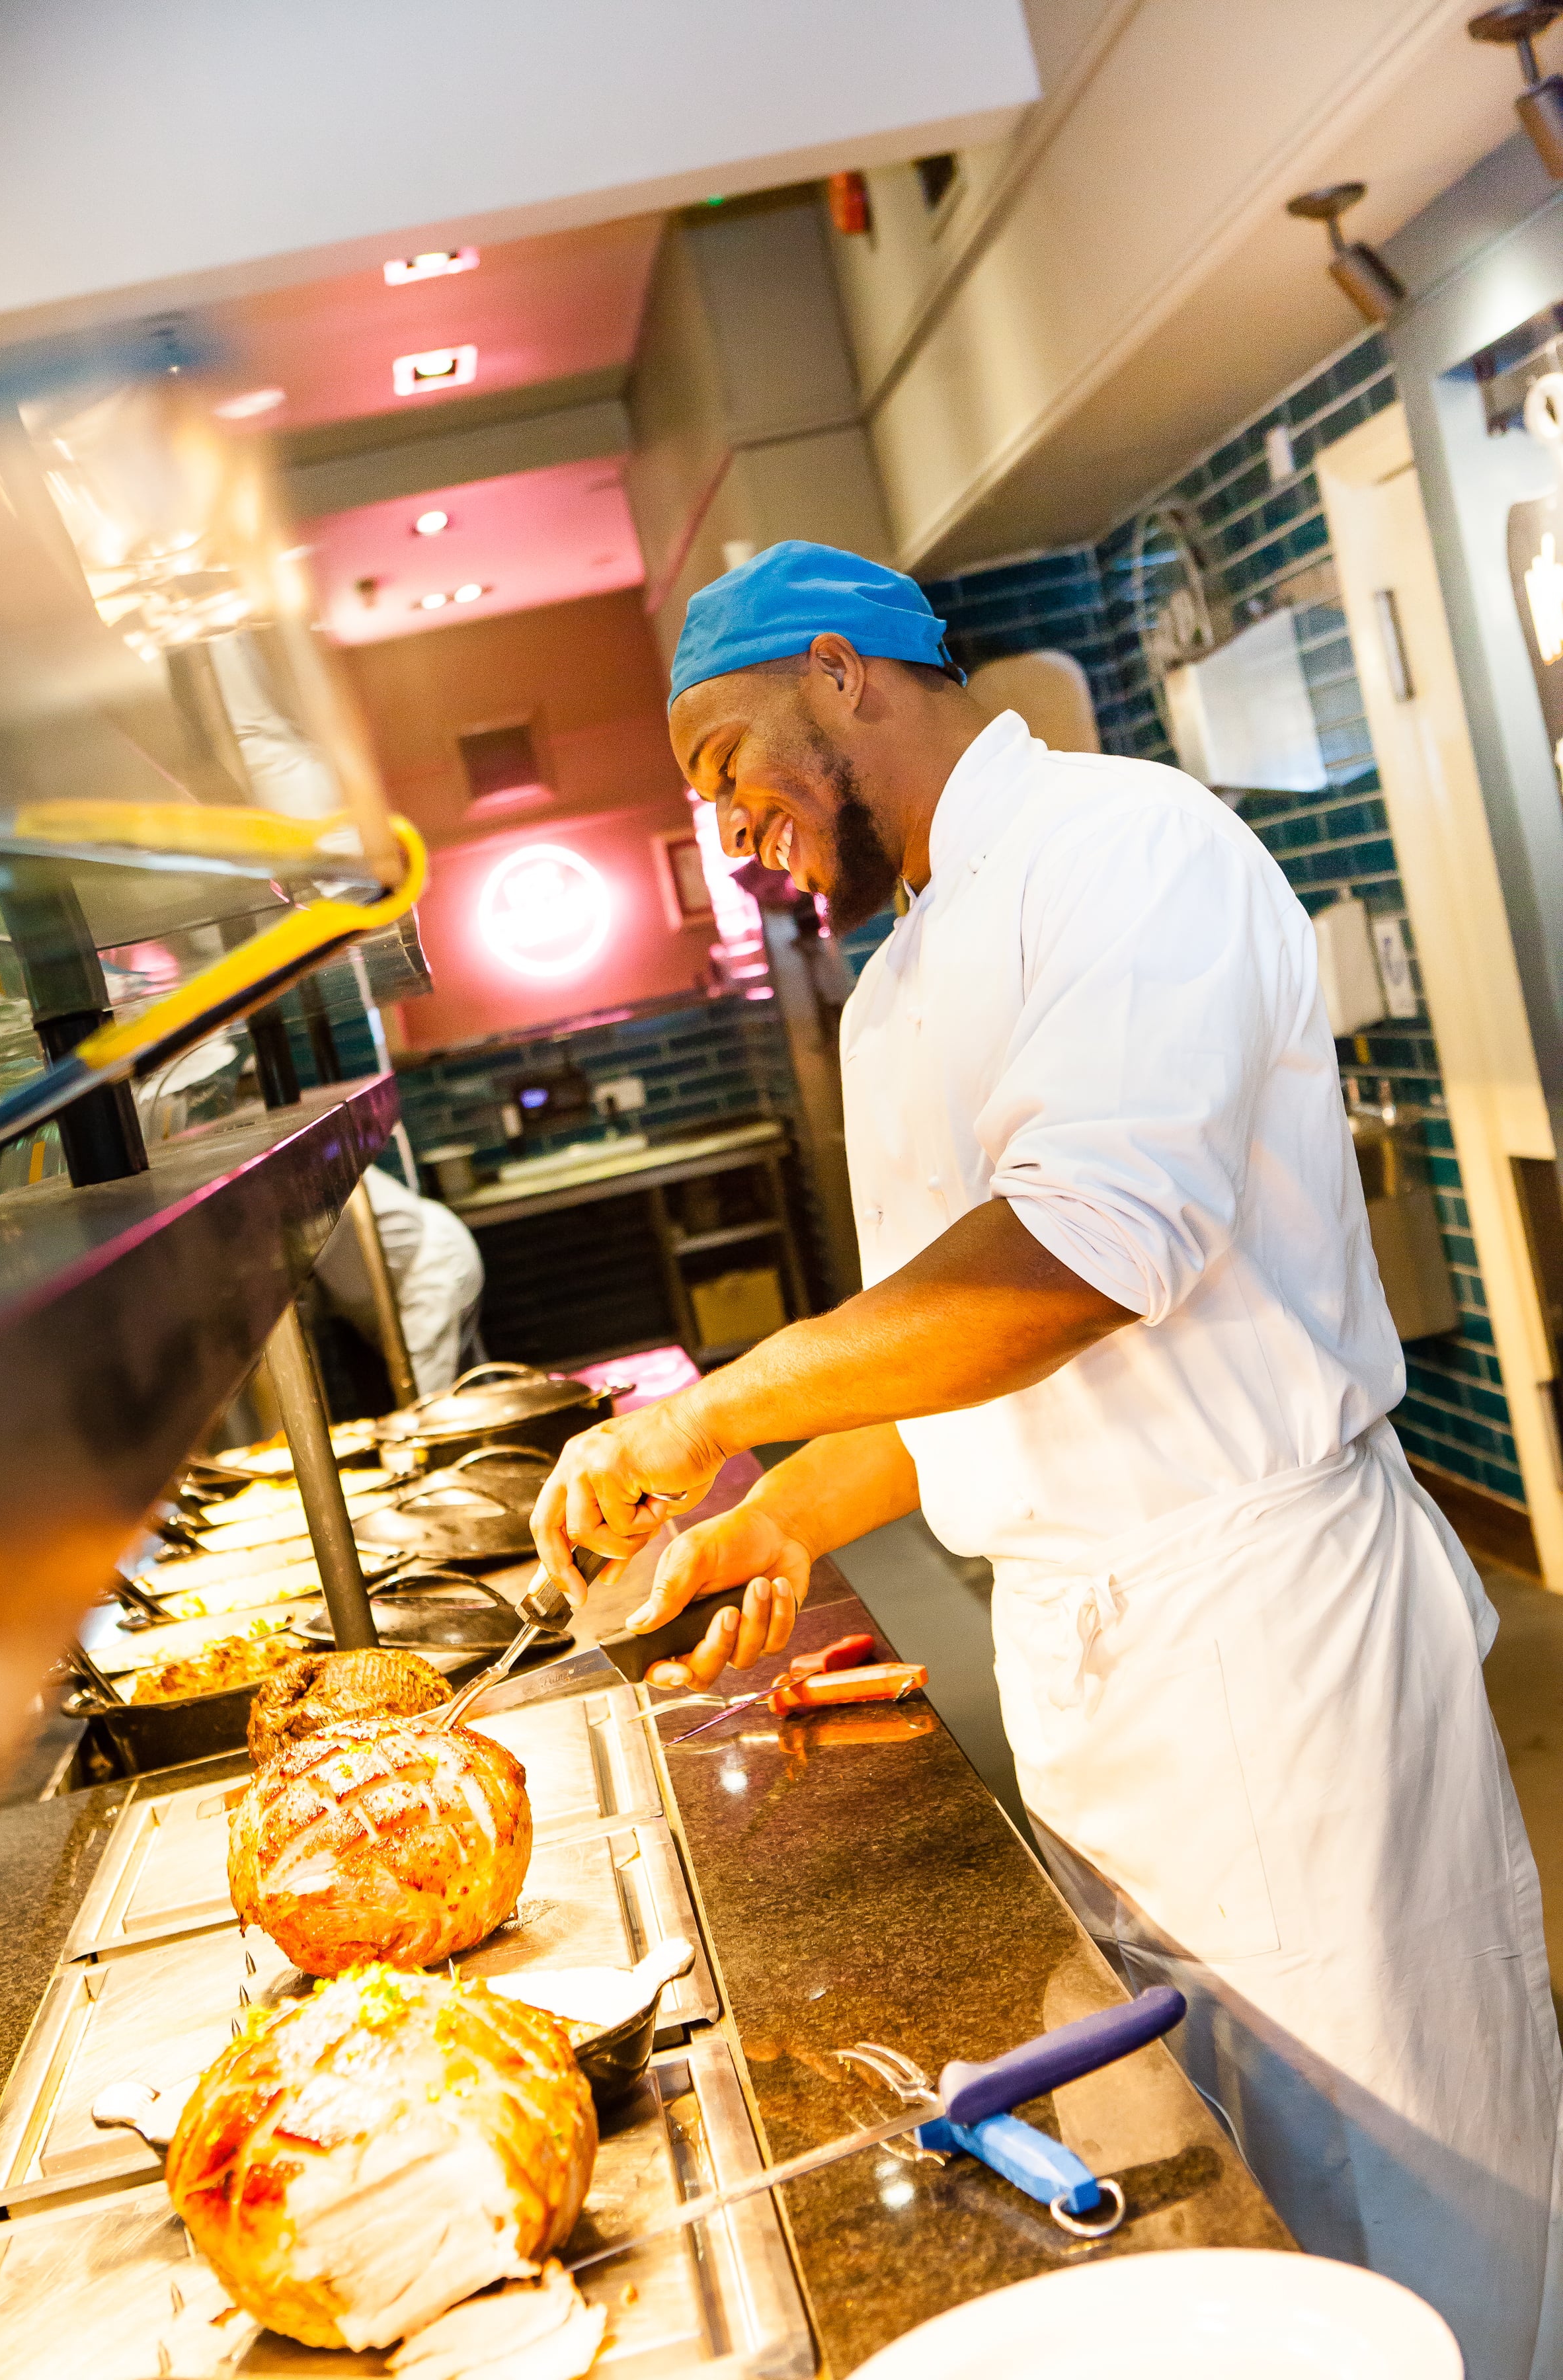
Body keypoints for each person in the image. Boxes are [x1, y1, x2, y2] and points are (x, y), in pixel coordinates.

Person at [531, 541, 1563, 2377]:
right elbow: (967, 1364)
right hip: (1096, 1661)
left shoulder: (1122, 851)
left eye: (722, 767)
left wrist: (715, 1408)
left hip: (1267, 1645)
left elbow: (1082, 1262)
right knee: (1241, 2192)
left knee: (1412, 2191)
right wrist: (770, 1518)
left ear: (844, 674)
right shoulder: (909, 961)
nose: (729, 831)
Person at [315, 1160, 484, 1396]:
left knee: (430, 1409)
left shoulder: (308, 1167)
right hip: (389, 1297)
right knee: (468, 1397)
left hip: (428, 1272)